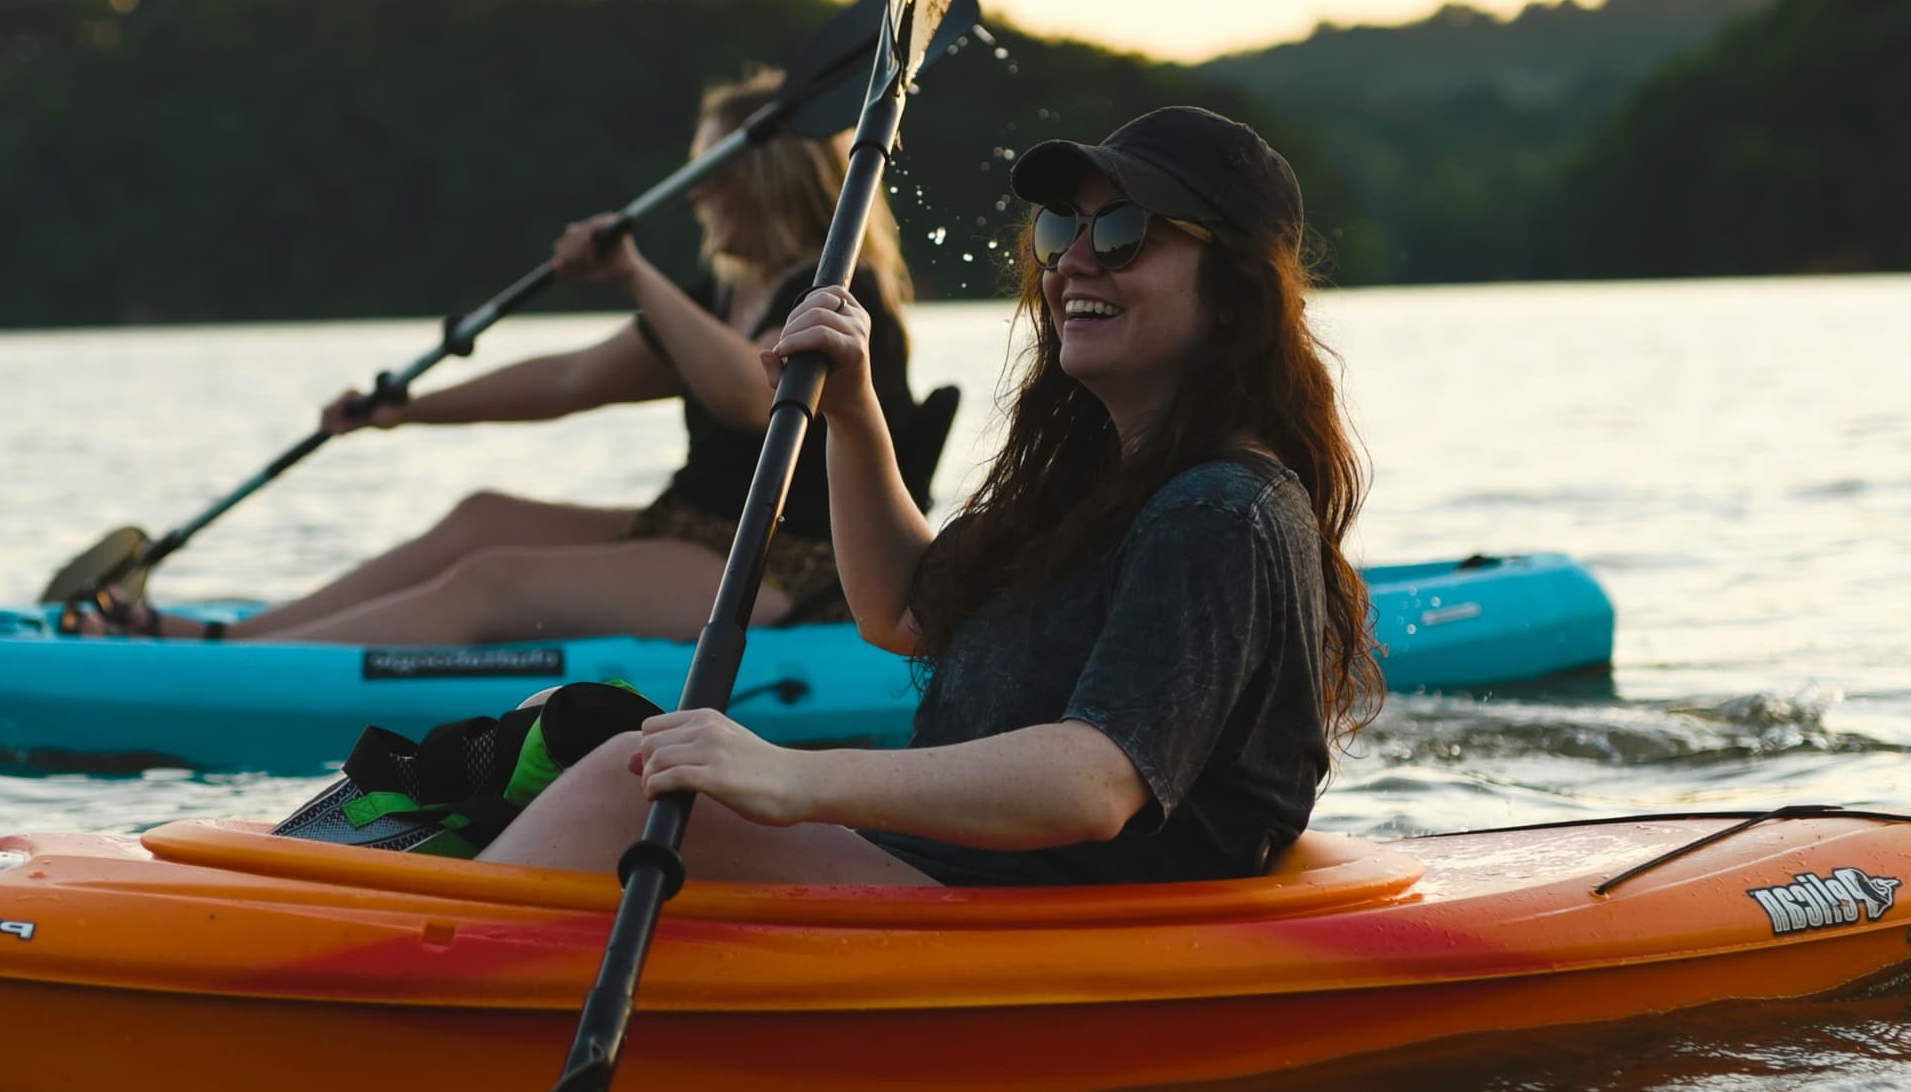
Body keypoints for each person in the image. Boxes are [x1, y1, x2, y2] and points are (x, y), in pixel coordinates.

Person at [484, 105, 1378, 887]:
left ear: (1234, 293)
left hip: (1052, 915)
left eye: (1124, 234)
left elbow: (1094, 782)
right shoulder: (1097, 485)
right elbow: (901, 610)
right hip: (962, 872)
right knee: (560, 723)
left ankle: (391, 976)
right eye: (1062, 230)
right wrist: (854, 416)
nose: (1074, 263)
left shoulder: (1219, 511)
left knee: (622, 781)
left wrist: (793, 777)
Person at [151, 68, 921, 645]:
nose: (695, 196)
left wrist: (633, 274)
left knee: (495, 581)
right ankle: (232, 640)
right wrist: (404, 411)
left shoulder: (842, 301)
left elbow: (755, 397)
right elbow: (567, 379)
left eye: (709, 173)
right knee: (483, 517)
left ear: (761, 183)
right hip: (693, 529)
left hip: (793, 565)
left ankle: (247, 664)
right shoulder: (718, 297)